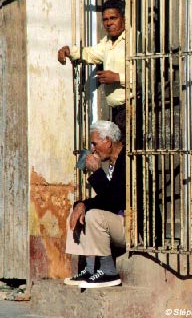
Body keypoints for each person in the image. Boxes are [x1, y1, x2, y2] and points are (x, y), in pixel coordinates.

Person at [64, 120, 126, 288]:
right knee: (78, 212)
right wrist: (81, 204)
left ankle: (108, 272)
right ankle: (90, 269)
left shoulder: (127, 160)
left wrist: (97, 173)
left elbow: (114, 201)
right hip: (117, 221)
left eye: (95, 143)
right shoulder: (112, 163)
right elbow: (106, 198)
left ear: (108, 141)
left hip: (131, 225)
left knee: (94, 215)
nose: (93, 148)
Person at [57, 0, 126, 137]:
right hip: (117, 111)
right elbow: (90, 53)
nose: (109, 23)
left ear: (123, 18)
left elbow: (146, 76)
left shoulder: (134, 40)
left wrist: (117, 77)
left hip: (134, 107)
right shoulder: (107, 42)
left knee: (129, 153)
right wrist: (69, 51)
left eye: (113, 18)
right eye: (105, 19)